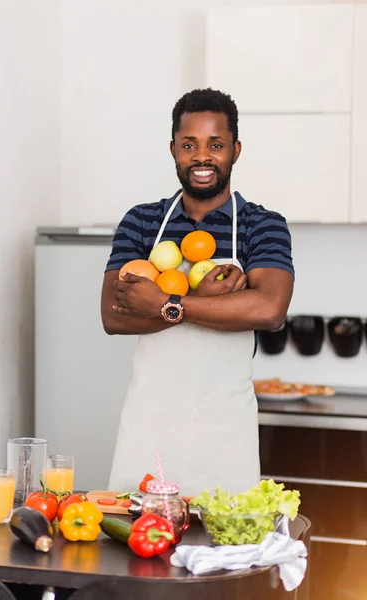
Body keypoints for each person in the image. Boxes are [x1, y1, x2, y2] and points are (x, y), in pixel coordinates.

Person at [101, 88, 294, 496]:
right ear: (173, 149)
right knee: (137, 549)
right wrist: (215, 303)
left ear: (235, 150)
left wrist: (165, 305)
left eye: (216, 145)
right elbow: (113, 316)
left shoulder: (263, 226)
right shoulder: (142, 223)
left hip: (224, 432)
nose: (202, 157)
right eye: (189, 144)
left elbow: (269, 309)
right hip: (149, 426)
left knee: (224, 551)